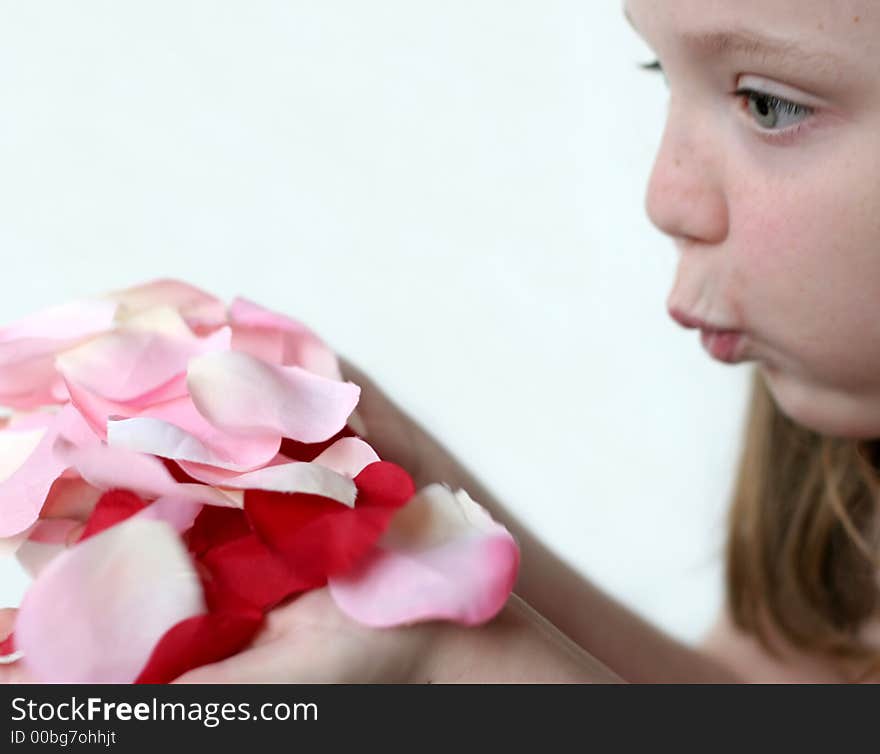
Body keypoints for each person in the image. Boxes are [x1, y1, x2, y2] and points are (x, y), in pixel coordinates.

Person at [5, 0, 880, 683]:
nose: (665, 196)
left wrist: (460, 663)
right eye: (663, 70)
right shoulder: (841, 461)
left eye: (768, 103)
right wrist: (415, 472)